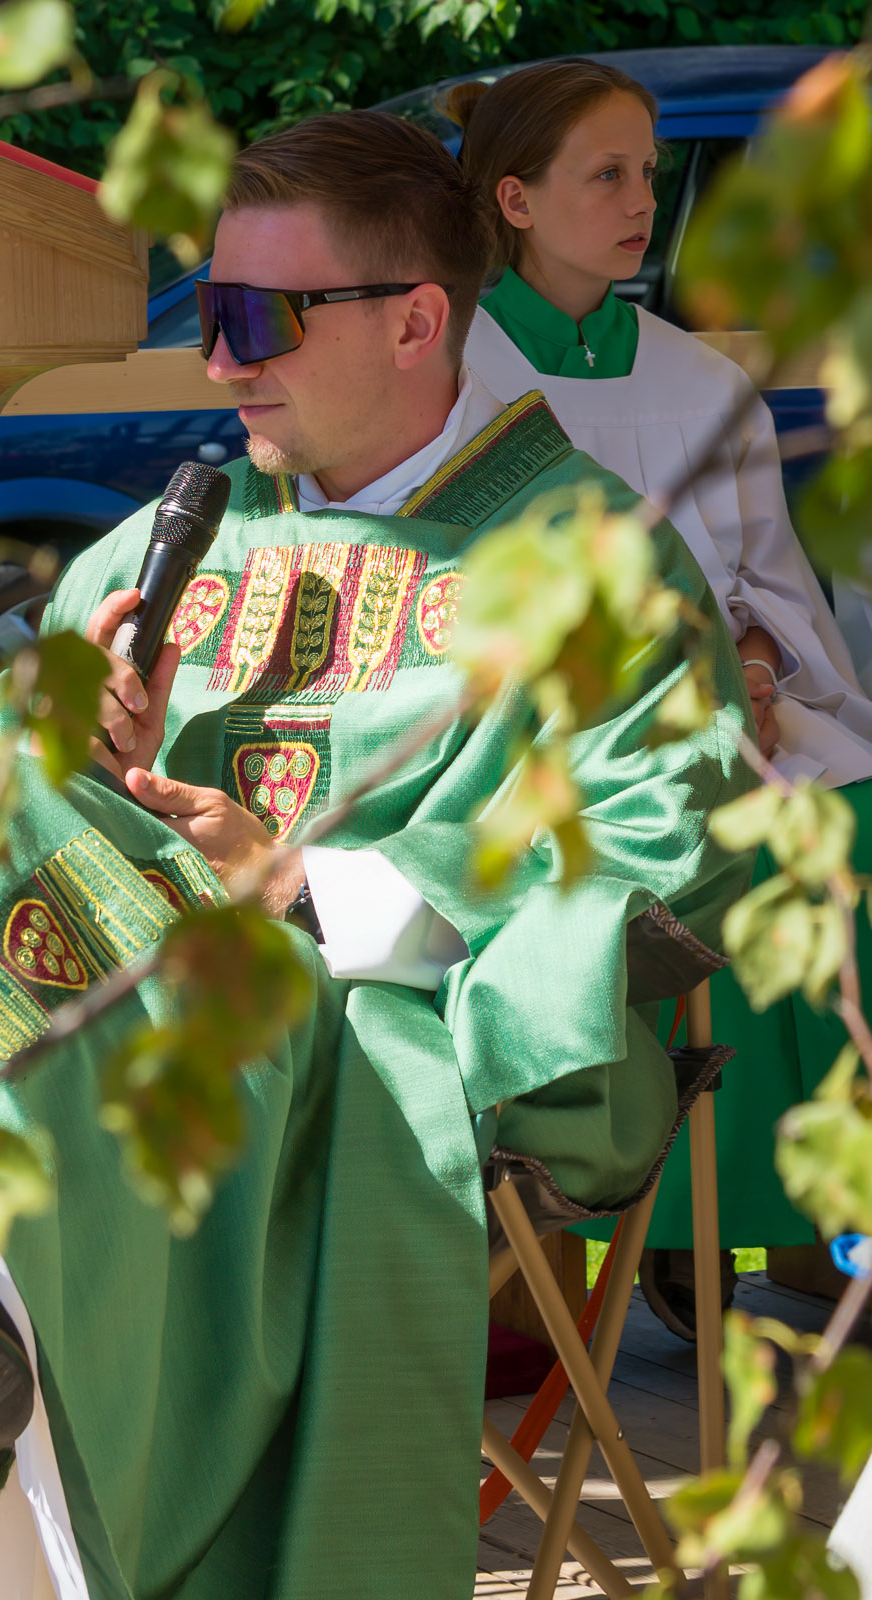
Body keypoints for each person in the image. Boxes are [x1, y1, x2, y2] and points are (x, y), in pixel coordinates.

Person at [0, 110, 753, 1599]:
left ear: (415, 320)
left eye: (252, 316)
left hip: (352, 1027)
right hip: (92, 995)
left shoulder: (590, 565)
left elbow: (663, 842)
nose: (216, 360)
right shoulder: (175, 538)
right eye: (209, 313)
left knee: (33, 1087)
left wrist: (300, 886)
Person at [455, 57, 872, 1333]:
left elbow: (768, 588)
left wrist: (749, 665)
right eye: (611, 175)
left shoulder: (703, 386)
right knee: (680, 854)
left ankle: (810, 1224)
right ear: (515, 199)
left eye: (648, 169)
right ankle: (682, 1228)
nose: (646, 199)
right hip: (535, 737)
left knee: (844, 826)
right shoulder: (446, 369)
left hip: (725, 718)